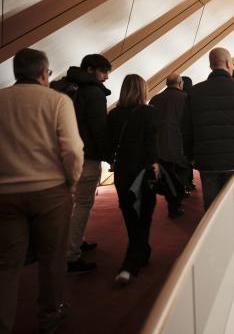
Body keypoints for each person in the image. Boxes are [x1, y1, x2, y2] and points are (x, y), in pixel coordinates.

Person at [0, 48, 84, 333]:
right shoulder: (57, 101)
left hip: (5, 194)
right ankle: (50, 316)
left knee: (6, 265)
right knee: (52, 257)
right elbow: (72, 149)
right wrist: (71, 181)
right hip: (50, 190)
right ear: (44, 73)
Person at [182, 47, 234, 210]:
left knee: (212, 209)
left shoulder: (194, 92)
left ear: (211, 65)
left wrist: (191, 156)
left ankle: (214, 236)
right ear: (228, 63)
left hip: (208, 159)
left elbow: (186, 129)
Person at [107, 75, 159, 285]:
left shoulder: (114, 115)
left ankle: (142, 252)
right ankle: (129, 267)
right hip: (143, 171)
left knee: (130, 215)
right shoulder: (148, 112)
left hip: (122, 171)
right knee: (144, 216)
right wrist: (154, 163)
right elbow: (151, 142)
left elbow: (109, 145)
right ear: (142, 90)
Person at [63, 54, 112, 273]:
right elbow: (99, 129)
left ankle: (75, 241)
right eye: (104, 71)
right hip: (88, 155)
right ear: (91, 69)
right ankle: (71, 254)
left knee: (74, 203)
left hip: (71, 153)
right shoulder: (94, 92)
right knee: (83, 203)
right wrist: (109, 155)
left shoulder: (70, 87)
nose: (106, 77)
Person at [149, 73, 190, 219]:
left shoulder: (155, 99)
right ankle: (175, 204)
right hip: (180, 145)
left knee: (167, 177)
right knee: (179, 175)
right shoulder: (186, 98)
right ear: (180, 83)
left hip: (160, 146)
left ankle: (173, 202)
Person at [180, 76, 196, 194]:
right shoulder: (191, 98)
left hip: (178, 135)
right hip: (189, 134)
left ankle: (184, 184)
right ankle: (189, 182)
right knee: (189, 159)